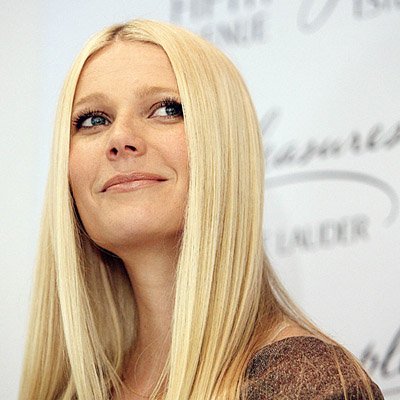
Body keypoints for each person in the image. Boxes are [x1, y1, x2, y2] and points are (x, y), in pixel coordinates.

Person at [19, 19, 383, 400]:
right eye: (94, 120)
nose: (120, 138)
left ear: (224, 146)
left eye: (166, 109)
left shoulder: (306, 384)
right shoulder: (70, 392)